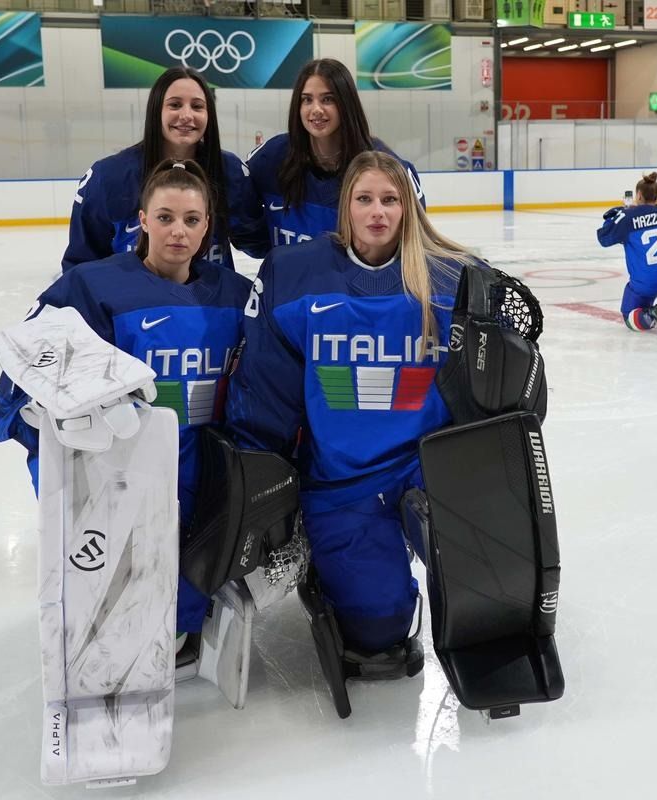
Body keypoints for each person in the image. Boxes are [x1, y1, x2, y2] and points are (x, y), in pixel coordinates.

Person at [225, 150, 481, 668]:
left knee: (482, 582)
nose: (377, 212)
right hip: (343, 481)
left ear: (408, 207)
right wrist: (266, 486)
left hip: (430, 469)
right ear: (346, 207)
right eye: (364, 199)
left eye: (390, 199)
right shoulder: (296, 274)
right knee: (378, 631)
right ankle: (337, 566)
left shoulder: (456, 278)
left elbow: (493, 383)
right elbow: (267, 390)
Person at [0, 159, 253, 644]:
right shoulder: (91, 285)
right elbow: (29, 366)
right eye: (165, 217)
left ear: (207, 227)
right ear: (143, 220)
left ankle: (179, 625)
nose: (178, 231)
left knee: (181, 599)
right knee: (123, 601)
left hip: (205, 471)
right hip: (119, 469)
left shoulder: (236, 295)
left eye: (191, 219)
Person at [62, 67, 266, 272]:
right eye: (175, 105)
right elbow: (81, 266)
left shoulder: (230, 171)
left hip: (210, 293)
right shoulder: (108, 177)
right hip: (134, 294)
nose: (186, 115)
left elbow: (257, 242)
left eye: (197, 106)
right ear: (156, 110)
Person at [247, 58, 424, 249]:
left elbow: (413, 242)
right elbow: (247, 230)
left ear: (346, 103)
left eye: (327, 99)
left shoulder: (385, 166)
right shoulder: (271, 157)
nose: (316, 109)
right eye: (307, 100)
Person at [596, 172, 657, 337]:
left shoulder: (627, 217)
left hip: (648, 279)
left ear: (638, 195)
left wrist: (615, 216)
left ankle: (654, 313)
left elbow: (604, 238)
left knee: (629, 316)